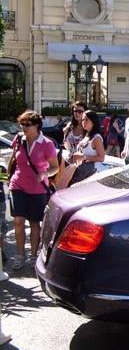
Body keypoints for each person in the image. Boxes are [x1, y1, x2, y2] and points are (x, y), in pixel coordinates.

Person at [8, 110, 59, 269]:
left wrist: (45, 173)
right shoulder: (18, 139)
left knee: (34, 223)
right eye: (22, 124)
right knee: (18, 220)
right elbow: (13, 159)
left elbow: (55, 167)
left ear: (37, 126)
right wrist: (9, 176)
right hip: (18, 184)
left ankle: (33, 255)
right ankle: (20, 254)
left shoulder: (47, 144)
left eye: (27, 124)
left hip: (37, 187)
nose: (23, 127)